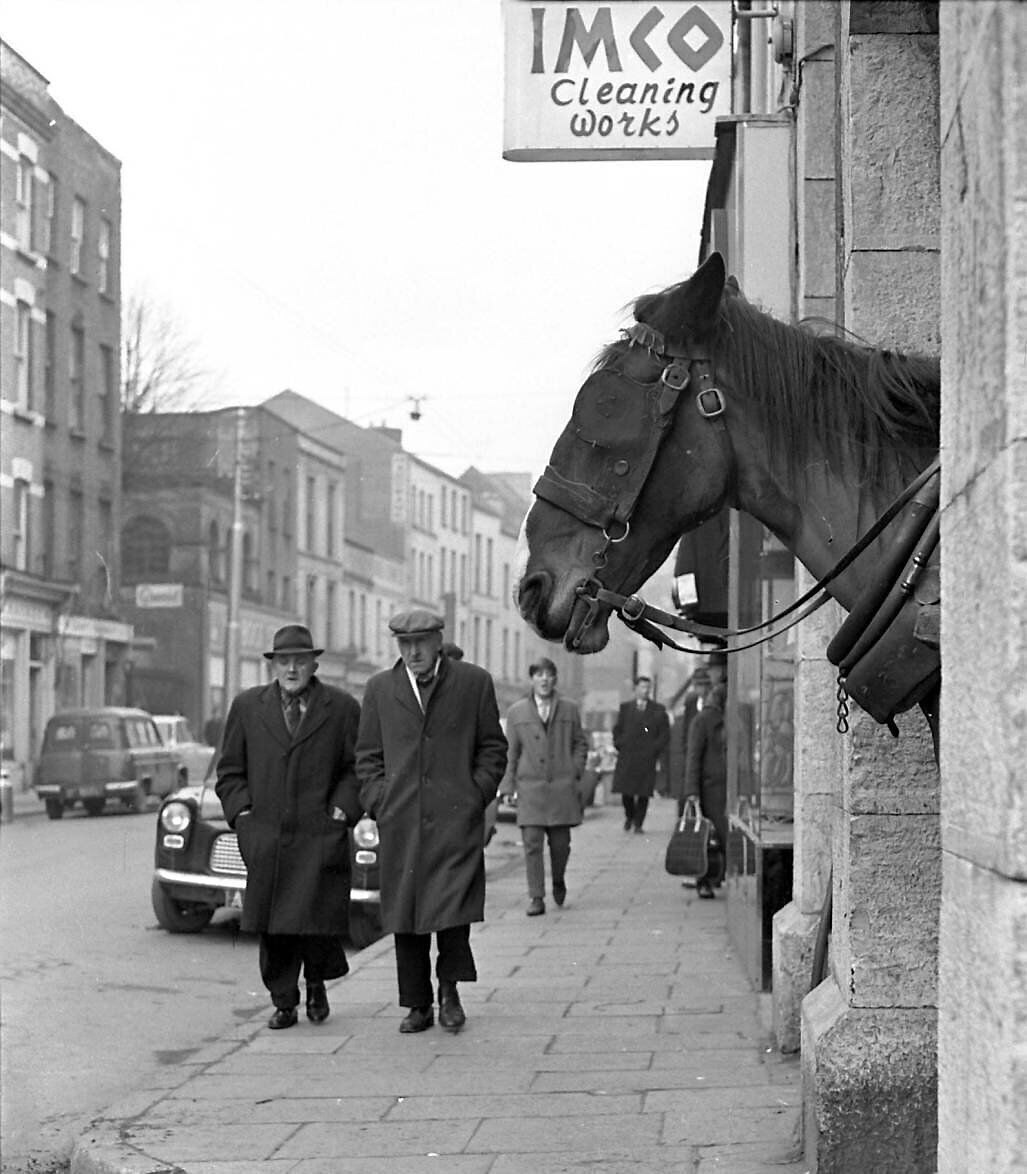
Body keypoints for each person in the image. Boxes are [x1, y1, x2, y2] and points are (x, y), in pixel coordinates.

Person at [355, 608, 507, 1034]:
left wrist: (473, 795)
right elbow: (367, 758)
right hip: (401, 822)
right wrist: (379, 801)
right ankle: (417, 1003)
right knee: (406, 914)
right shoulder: (380, 689)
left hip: (455, 821)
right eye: (405, 644)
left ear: (439, 640)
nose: (413, 652)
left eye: (421, 643)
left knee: (452, 911)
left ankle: (450, 991)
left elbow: (493, 749)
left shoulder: (472, 682)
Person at [215, 624, 363, 1029]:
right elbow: (229, 773)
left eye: (300, 660)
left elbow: (358, 769)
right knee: (274, 925)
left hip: (318, 833)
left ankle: (316, 984)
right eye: (284, 661)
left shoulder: (342, 708)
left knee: (316, 922)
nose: (292, 669)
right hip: (268, 836)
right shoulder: (247, 707)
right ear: (273, 666)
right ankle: (283, 1001)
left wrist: (341, 811)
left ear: (315, 663)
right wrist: (243, 816)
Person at [501, 657, 588, 917]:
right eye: (539, 674)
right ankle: (536, 897)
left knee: (561, 846)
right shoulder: (517, 712)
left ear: (555, 679)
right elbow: (511, 753)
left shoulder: (570, 709)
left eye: (549, 674)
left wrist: (574, 770)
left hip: (561, 789)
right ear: (532, 680)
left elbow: (580, 743)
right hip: (531, 790)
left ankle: (558, 879)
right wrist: (507, 788)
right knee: (532, 844)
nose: (544, 679)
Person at [683, 681, 728, 899]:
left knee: (721, 838)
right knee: (708, 839)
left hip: (725, 789)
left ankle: (716, 878)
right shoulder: (702, 721)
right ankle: (705, 881)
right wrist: (692, 792)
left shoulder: (731, 718)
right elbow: (693, 758)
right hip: (710, 791)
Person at [611, 675, 670, 834]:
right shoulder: (625, 708)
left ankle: (638, 823)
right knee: (626, 792)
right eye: (642, 687)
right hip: (628, 756)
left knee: (644, 792)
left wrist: (654, 749)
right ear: (635, 689)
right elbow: (617, 729)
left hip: (646, 758)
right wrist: (619, 743)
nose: (645, 691)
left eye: (647, 688)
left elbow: (664, 734)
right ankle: (629, 816)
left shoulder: (658, 709)